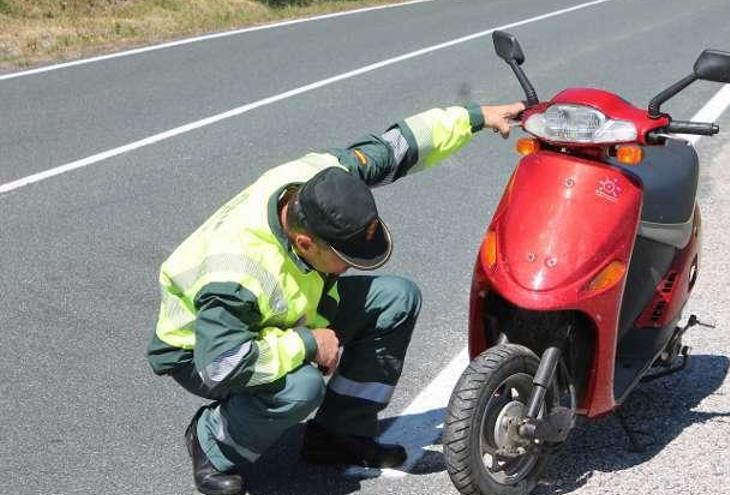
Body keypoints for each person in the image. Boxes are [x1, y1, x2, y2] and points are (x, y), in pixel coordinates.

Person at [146, 100, 525, 495]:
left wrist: (476, 117)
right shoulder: (237, 272)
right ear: (306, 242)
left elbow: (396, 147)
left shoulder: (321, 179)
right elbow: (220, 365)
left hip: (280, 311)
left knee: (396, 298)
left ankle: (337, 435)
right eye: (343, 259)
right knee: (301, 387)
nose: (349, 267)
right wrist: (308, 343)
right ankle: (213, 441)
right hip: (203, 351)